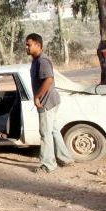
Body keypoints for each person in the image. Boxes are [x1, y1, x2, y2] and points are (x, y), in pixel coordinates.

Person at [25, 33, 74, 173]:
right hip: (51, 100)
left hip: (46, 102)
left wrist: (37, 97)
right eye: (26, 44)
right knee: (53, 130)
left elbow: (49, 80)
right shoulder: (36, 60)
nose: (26, 47)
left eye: (29, 44)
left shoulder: (43, 61)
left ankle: (48, 164)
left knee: (45, 133)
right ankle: (65, 158)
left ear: (38, 45)